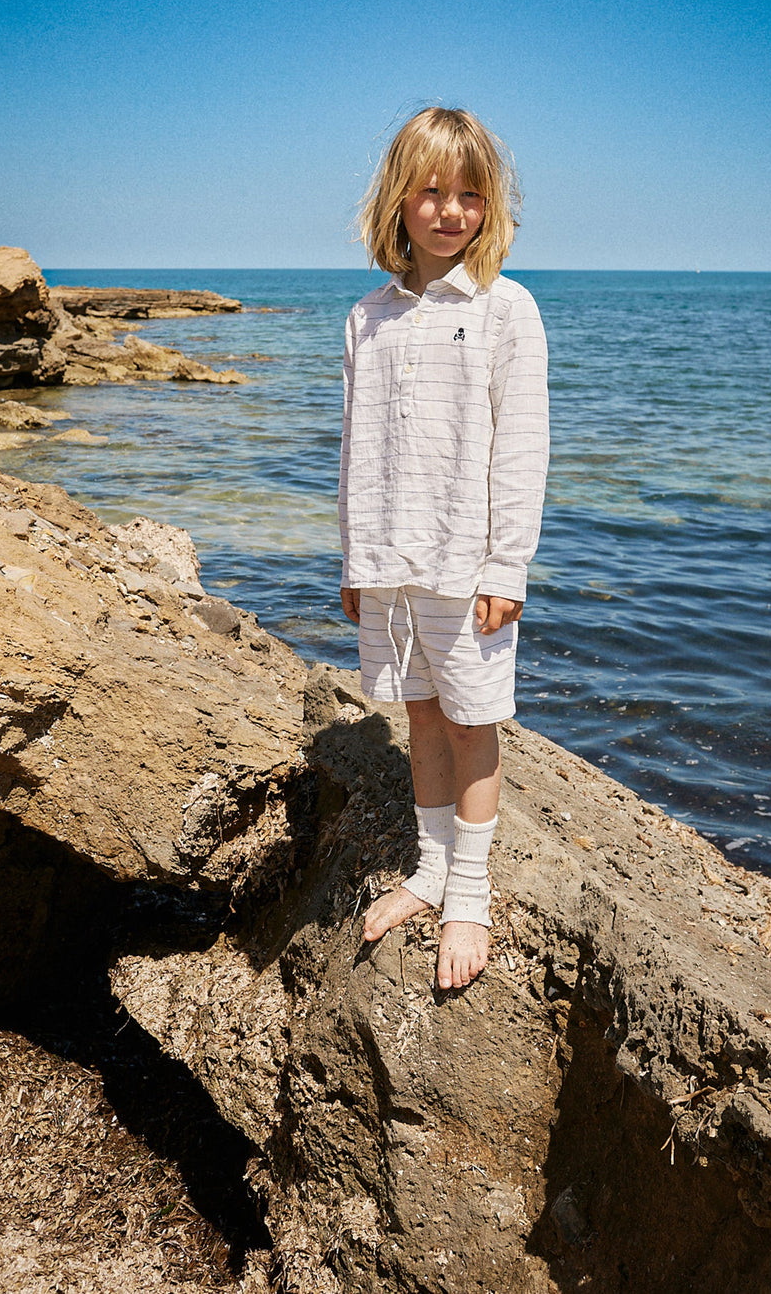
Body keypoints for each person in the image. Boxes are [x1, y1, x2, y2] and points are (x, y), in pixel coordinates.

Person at [339, 106, 549, 991]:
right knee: (420, 715)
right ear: (398, 199)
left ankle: (469, 889)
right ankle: (430, 868)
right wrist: (353, 558)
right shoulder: (368, 317)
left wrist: (508, 567)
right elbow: (355, 446)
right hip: (389, 562)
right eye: (431, 191)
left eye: (470, 194)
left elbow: (522, 448)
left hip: (467, 566)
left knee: (472, 721)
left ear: (490, 206)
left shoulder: (506, 310)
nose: (450, 210)